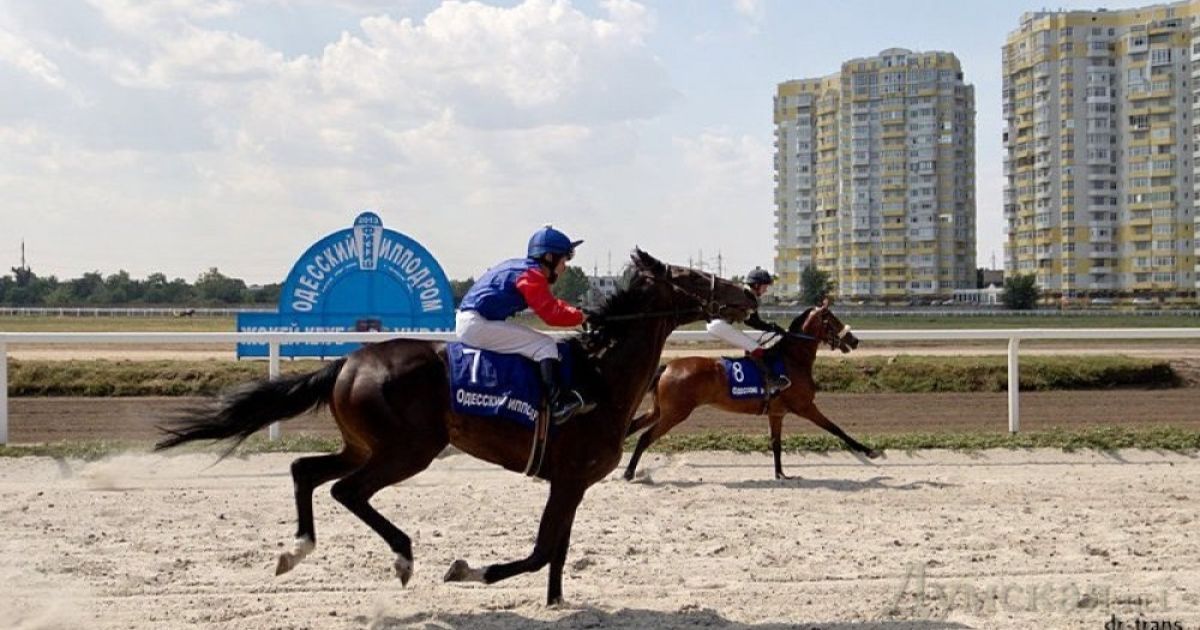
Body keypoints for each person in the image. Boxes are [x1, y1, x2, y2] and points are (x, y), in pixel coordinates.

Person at [456, 225, 593, 424]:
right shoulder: (531, 275)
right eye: (564, 259)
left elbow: (552, 304)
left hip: (475, 321)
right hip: (476, 324)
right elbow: (551, 314)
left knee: (537, 341)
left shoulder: (526, 270)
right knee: (545, 345)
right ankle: (558, 406)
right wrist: (580, 318)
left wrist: (580, 314)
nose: (565, 266)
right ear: (549, 257)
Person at [705, 267, 790, 395]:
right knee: (757, 349)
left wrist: (771, 327)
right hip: (720, 326)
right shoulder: (749, 298)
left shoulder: (742, 292)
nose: (766, 290)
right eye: (764, 286)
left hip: (715, 324)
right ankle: (771, 379)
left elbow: (749, 321)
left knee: (752, 347)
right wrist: (773, 328)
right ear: (756, 285)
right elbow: (753, 322)